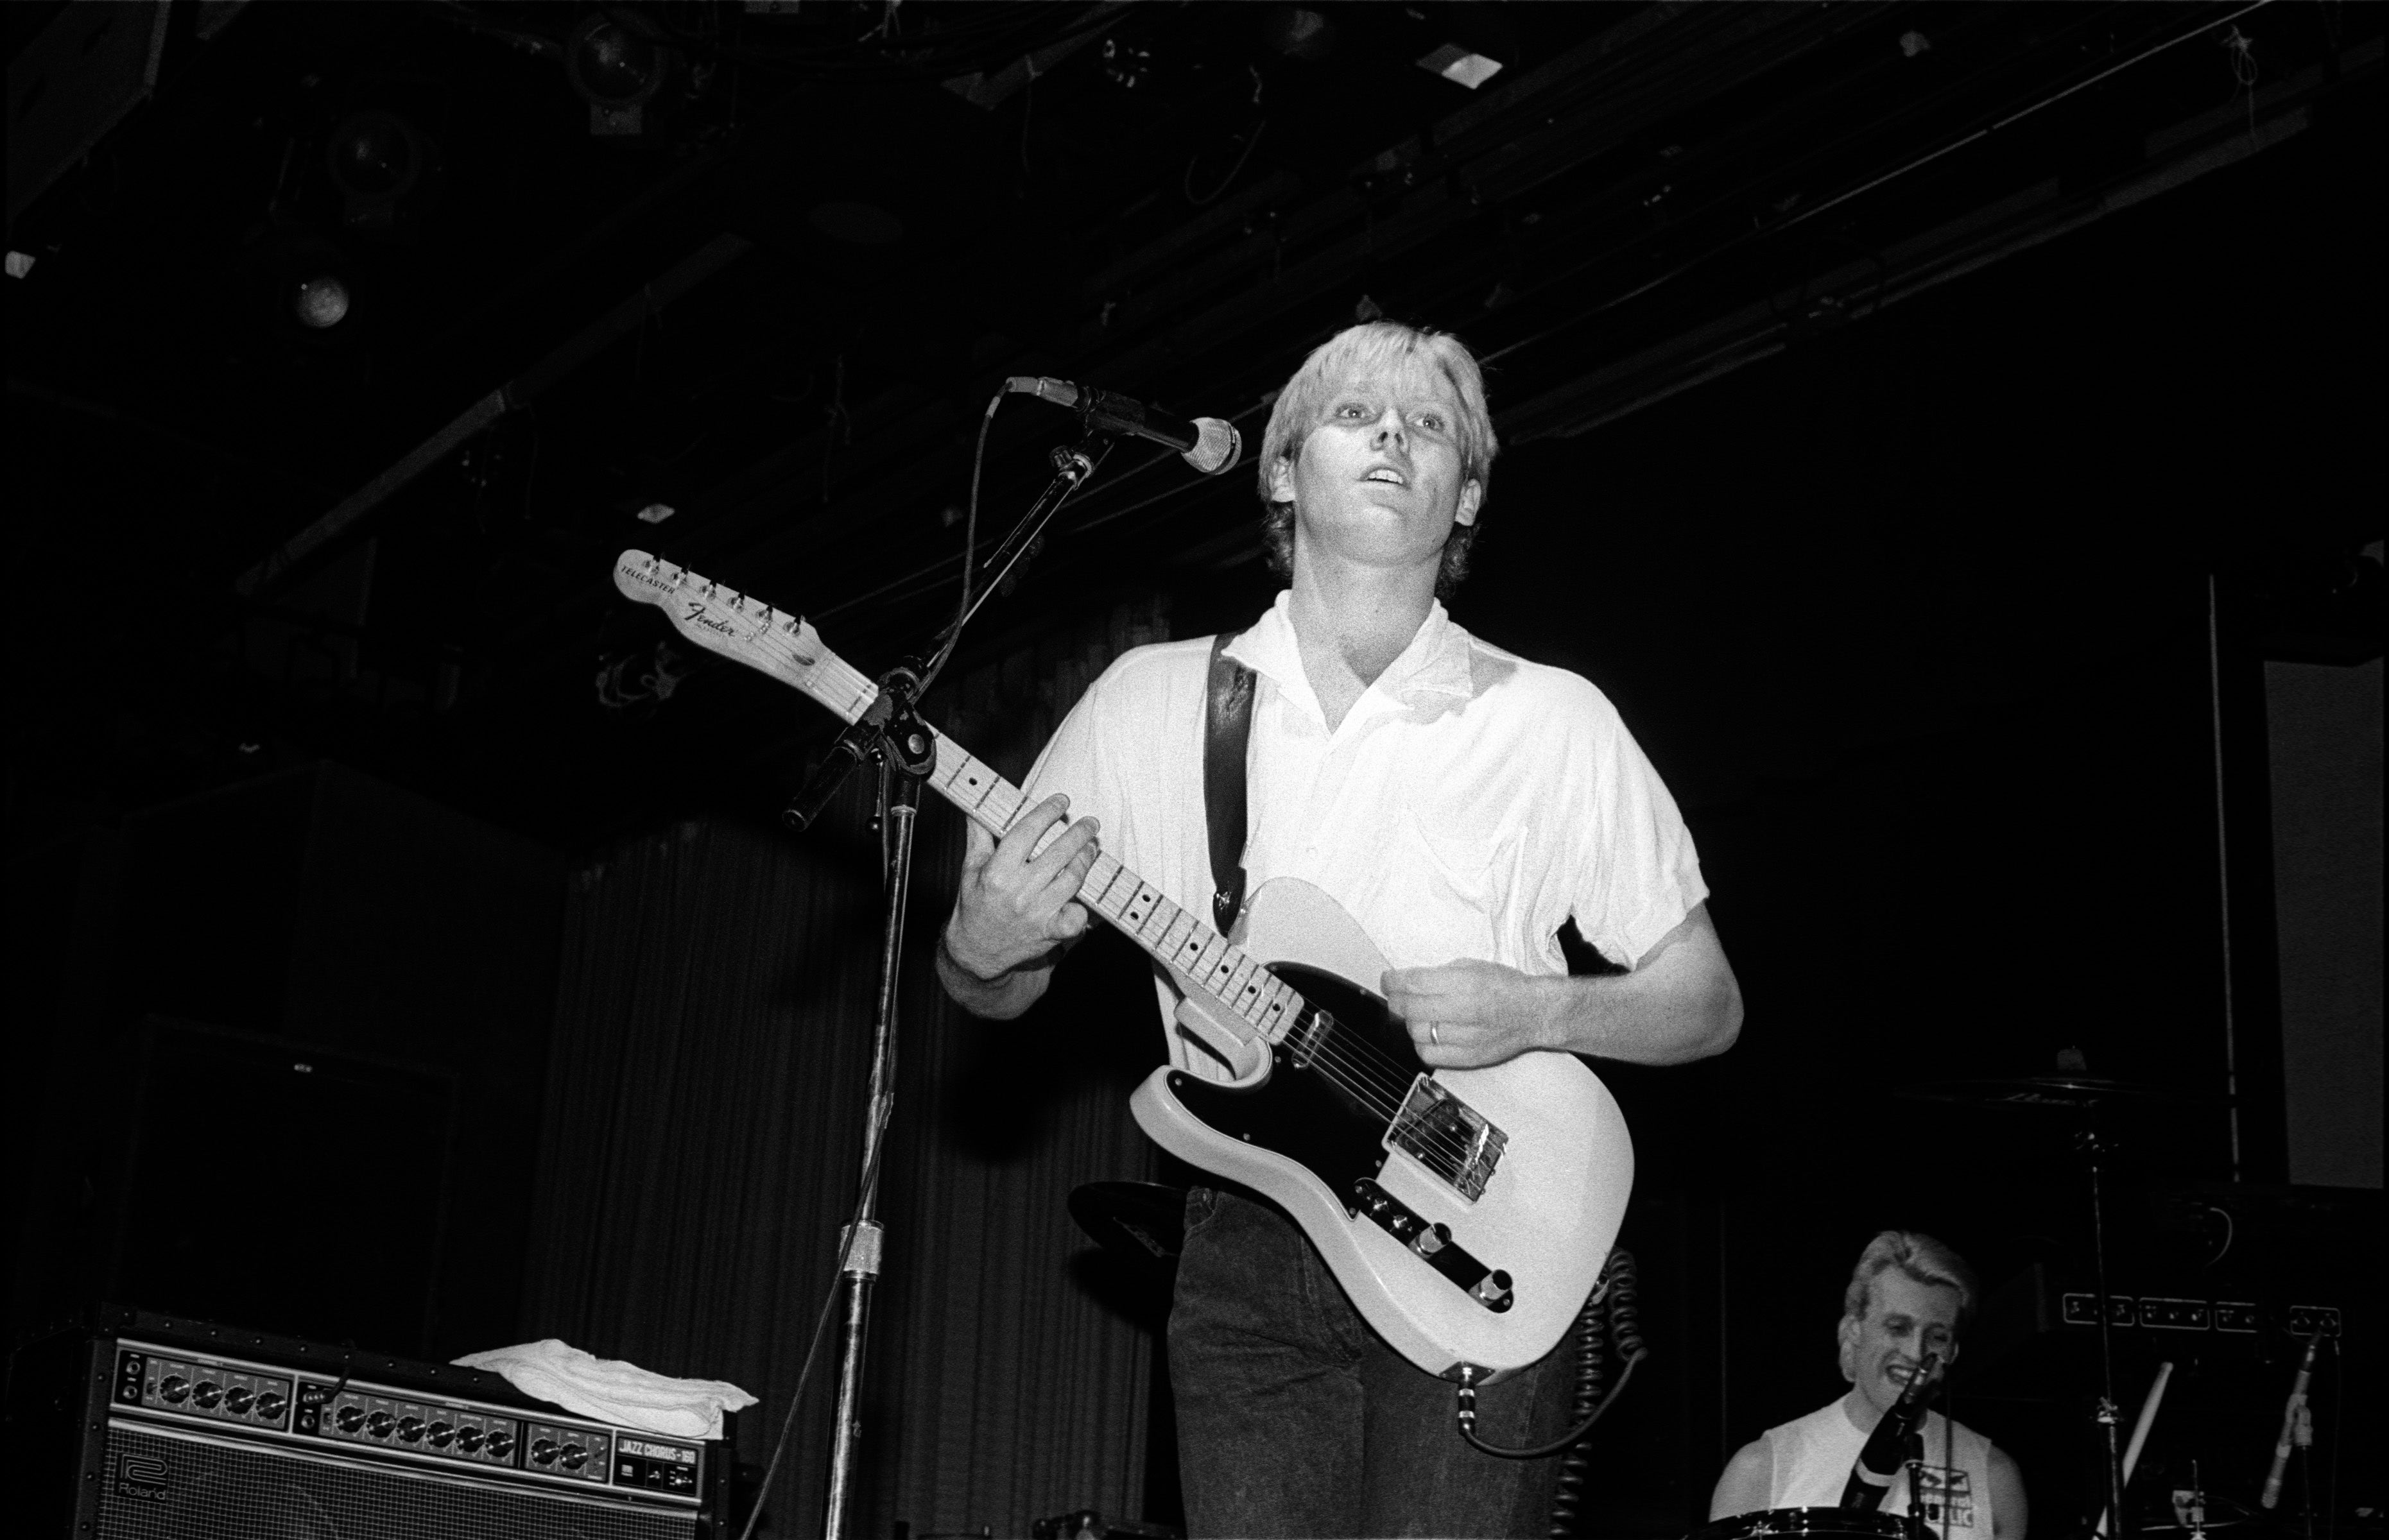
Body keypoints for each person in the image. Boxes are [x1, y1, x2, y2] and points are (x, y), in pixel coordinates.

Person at [935, 319, 1744, 1537]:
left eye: (1430, 429)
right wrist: (980, 948)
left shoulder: (1552, 719)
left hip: (1476, 1226)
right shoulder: (1147, 701)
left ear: (1464, 497)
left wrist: (1538, 1008)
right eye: (1358, 414)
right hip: (1244, 1239)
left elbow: (1706, 1004)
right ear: (1278, 467)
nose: (1392, 439)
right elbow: (994, 990)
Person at [1709, 1231, 2028, 1540]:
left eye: (1937, 1337)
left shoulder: (1993, 1475)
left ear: (1953, 1352)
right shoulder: (1763, 1468)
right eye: (1898, 1328)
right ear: (1854, 1331)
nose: (1916, 1353)